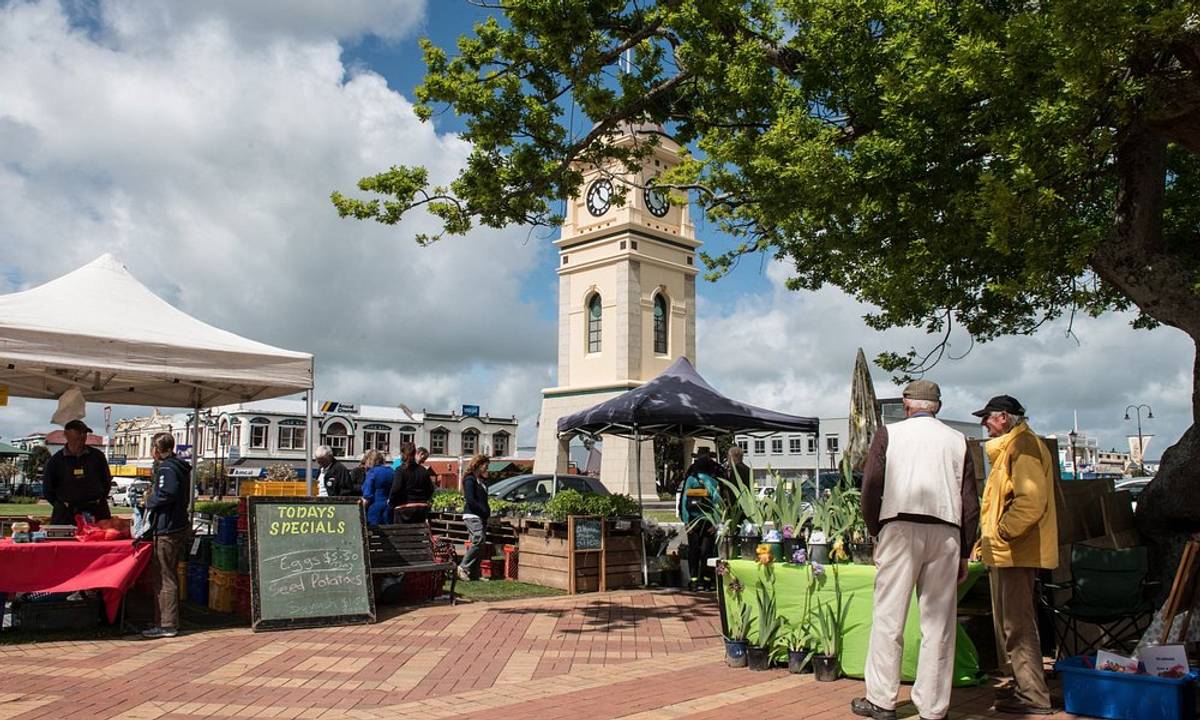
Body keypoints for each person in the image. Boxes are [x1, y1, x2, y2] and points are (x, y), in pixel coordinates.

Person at [851, 380, 979, 720]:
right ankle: (933, 707)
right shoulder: (958, 440)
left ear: (907, 405)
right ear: (938, 407)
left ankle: (881, 699)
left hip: (900, 524)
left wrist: (876, 529)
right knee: (938, 624)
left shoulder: (889, 434)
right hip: (946, 530)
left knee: (889, 617)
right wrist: (965, 550)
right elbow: (970, 502)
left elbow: (871, 487)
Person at [974, 395, 1057, 716]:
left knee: (1018, 626)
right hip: (1012, 550)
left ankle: (1033, 694)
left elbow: (1030, 502)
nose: (984, 423)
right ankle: (1027, 687)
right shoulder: (1015, 446)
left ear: (1004, 417)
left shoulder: (1022, 447)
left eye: (988, 417)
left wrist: (1002, 533)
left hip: (1016, 551)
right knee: (1015, 624)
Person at [142, 432, 191, 639]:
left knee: (164, 576)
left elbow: (167, 493)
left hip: (167, 528)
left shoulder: (167, 468)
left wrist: (149, 501)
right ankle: (163, 619)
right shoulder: (178, 467)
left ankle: (166, 624)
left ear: (157, 449)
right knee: (168, 574)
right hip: (176, 525)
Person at [42, 419, 112, 526]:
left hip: (96, 511)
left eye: (85, 433)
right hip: (66, 515)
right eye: (78, 432)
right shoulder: (56, 460)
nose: (82, 436)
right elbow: (48, 489)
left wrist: (99, 500)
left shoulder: (97, 456)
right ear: (66, 434)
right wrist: (62, 504)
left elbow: (106, 481)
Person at [678, 470, 720, 591]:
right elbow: (717, 502)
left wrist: (686, 522)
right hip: (708, 521)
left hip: (693, 521)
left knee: (693, 551)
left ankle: (694, 582)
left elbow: (684, 501)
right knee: (707, 552)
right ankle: (707, 582)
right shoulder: (713, 481)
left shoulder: (691, 479)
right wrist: (716, 523)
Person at [458, 454, 491, 581]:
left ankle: (474, 573)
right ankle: (463, 567)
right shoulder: (469, 479)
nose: (487, 468)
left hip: (481, 516)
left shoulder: (481, 480)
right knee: (478, 539)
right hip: (472, 515)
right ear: (479, 464)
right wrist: (483, 511)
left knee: (480, 545)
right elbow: (470, 500)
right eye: (486, 465)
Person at [390, 442, 435, 523]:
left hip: (404, 508)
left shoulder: (400, 470)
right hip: (421, 508)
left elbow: (396, 489)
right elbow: (430, 489)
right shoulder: (423, 470)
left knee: (402, 531)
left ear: (402, 454)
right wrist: (424, 499)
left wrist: (392, 502)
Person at [360, 450, 393, 527]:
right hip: (389, 508)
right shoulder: (391, 471)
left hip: (374, 510)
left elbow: (367, 495)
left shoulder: (372, 473)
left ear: (369, 460)